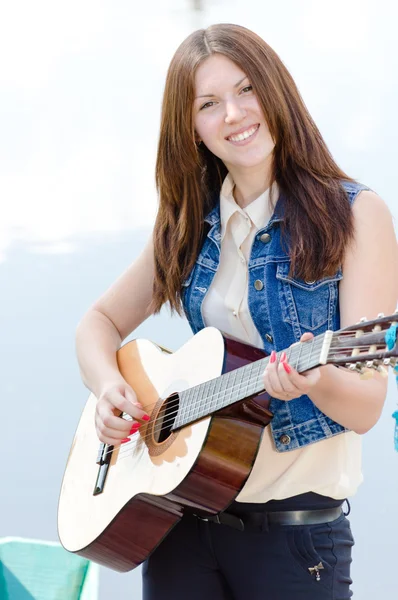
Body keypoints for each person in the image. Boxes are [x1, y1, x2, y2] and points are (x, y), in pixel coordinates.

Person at [75, 23, 398, 600]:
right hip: (181, 524)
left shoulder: (356, 216)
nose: (234, 113)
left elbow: (368, 407)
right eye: (208, 104)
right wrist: (107, 390)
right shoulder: (186, 225)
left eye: (246, 89)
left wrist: (313, 381)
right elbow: (97, 325)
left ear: (276, 91)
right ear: (192, 129)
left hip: (295, 538)